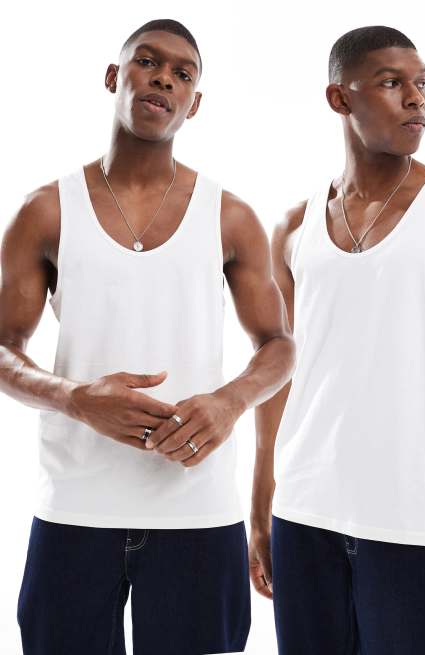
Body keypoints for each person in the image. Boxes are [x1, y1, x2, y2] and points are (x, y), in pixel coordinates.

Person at [0, 18, 295, 655]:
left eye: (182, 74)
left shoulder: (229, 216)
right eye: (148, 61)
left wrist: (229, 401)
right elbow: (3, 348)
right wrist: (75, 398)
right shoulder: (45, 209)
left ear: (195, 102)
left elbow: (279, 344)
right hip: (75, 507)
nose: (164, 78)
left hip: (198, 511)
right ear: (115, 76)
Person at [249, 25, 425, 654]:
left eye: (421, 83)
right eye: (392, 83)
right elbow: (276, 370)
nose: (416, 98)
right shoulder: (294, 226)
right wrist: (260, 506)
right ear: (339, 98)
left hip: (414, 524)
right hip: (304, 517)